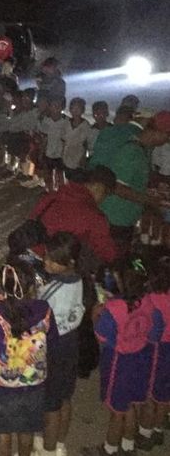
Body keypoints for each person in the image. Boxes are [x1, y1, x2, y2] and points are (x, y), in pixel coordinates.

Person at [0, 259, 58, 456]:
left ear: (5, 287)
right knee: (26, 430)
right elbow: (52, 340)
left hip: (3, 386)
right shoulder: (44, 308)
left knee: (3, 434)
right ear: (31, 284)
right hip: (33, 383)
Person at [83, 260, 158, 456]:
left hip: (119, 362)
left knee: (117, 411)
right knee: (131, 404)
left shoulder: (114, 308)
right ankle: (128, 445)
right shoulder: (148, 300)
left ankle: (109, 449)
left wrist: (94, 315)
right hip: (141, 358)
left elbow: (102, 335)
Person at [89, 111, 170, 254]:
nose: (166, 140)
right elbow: (117, 187)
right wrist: (150, 200)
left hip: (123, 218)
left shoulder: (142, 149)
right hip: (115, 218)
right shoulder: (132, 151)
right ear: (157, 132)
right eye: (167, 135)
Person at [34, 233, 85, 456]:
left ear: (69, 262)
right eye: (45, 256)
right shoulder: (78, 280)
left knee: (51, 404)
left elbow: (37, 316)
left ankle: (47, 449)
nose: (46, 262)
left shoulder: (54, 290)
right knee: (65, 397)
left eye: (51, 259)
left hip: (54, 349)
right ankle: (60, 443)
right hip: (70, 344)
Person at [25, 165, 118, 265]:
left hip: (27, 248)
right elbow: (107, 252)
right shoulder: (95, 217)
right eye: (104, 194)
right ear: (98, 187)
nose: (102, 200)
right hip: (51, 264)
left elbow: (33, 217)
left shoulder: (55, 195)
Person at [137, 255, 170, 451]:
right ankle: (158, 429)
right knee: (165, 393)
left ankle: (145, 433)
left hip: (158, 348)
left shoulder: (152, 299)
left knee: (150, 394)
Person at [39, 96, 68, 192]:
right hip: (49, 152)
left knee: (60, 174)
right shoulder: (46, 121)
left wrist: (65, 154)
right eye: (53, 106)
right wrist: (41, 152)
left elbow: (65, 140)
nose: (55, 108)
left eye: (58, 106)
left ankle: (61, 191)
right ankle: (50, 191)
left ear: (62, 107)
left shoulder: (66, 121)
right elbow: (44, 138)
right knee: (48, 173)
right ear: (49, 107)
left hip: (60, 153)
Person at [62, 97, 92, 182]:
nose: (75, 110)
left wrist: (84, 158)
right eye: (73, 108)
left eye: (78, 108)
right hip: (66, 156)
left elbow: (86, 143)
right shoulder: (66, 122)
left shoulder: (86, 125)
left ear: (82, 110)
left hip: (77, 157)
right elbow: (63, 140)